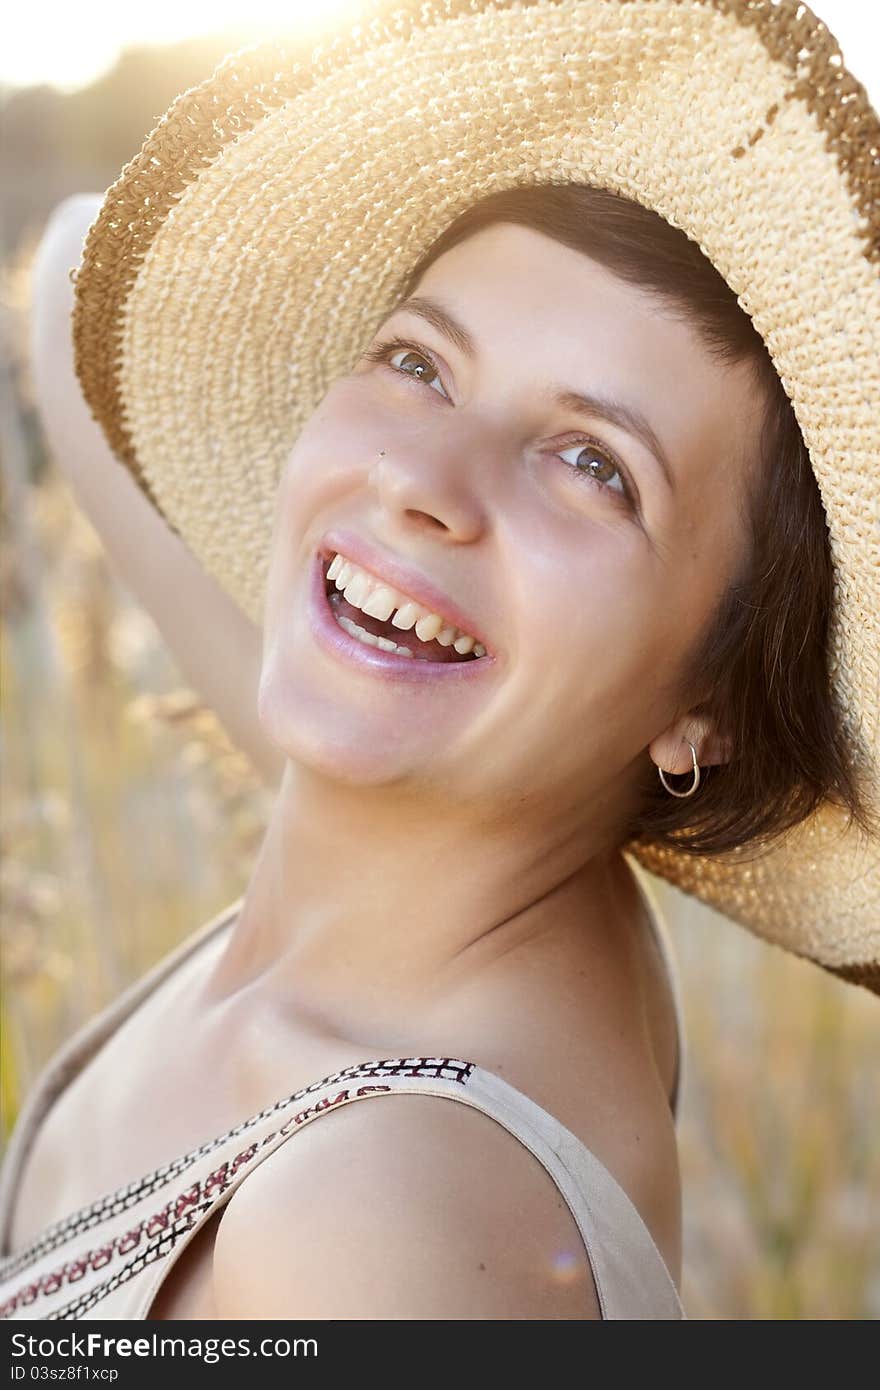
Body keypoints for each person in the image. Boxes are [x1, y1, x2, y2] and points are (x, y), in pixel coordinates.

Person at [0, 0, 877, 1322]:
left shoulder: (381, 1221)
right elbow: (79, 271)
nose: (419, 478)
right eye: (419, 360)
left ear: (713, 698)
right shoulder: (424, 849)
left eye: (595, 465)